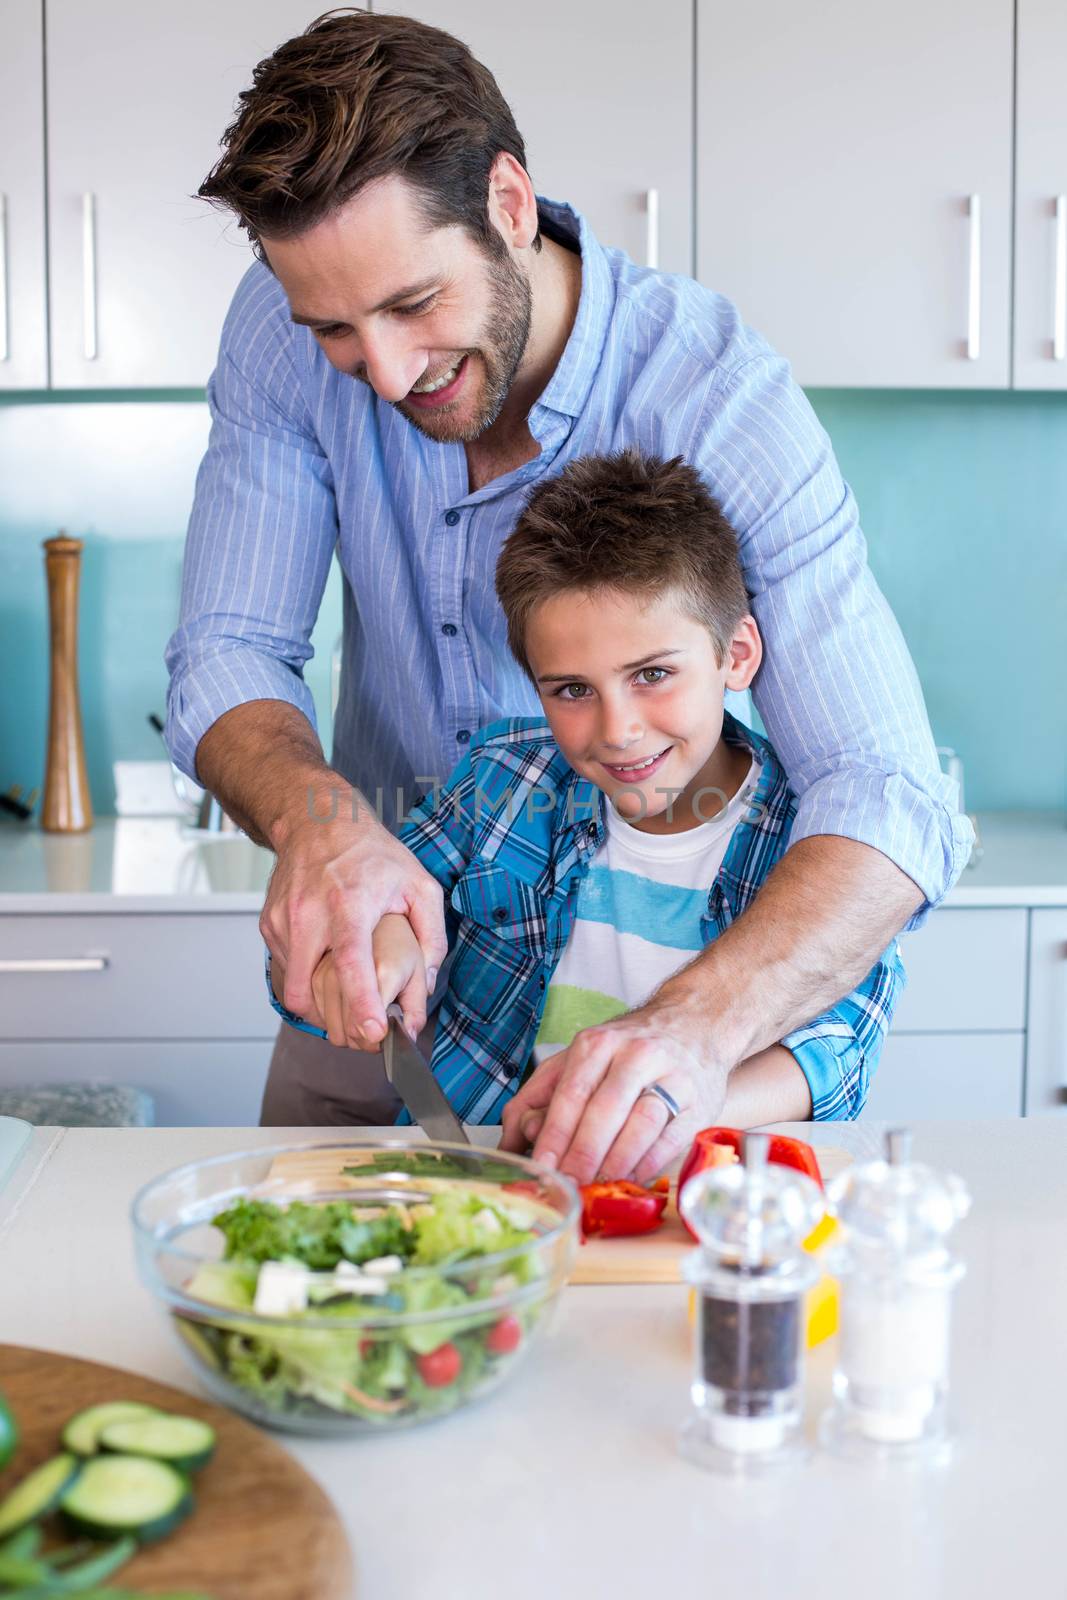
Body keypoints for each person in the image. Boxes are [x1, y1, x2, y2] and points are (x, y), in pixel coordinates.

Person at [165, 11, 970, 1178]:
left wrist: (687, 1035)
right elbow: (228, 650)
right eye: (334, 328)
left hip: (646, 1041)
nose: (382, 373)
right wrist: (320, 830)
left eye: (409, 305)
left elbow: (886, 792)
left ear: (506, 201)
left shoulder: (717, 399)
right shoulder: (276, 338)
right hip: (370, 989)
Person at [268, 451, 905, 1178]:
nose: (617, 728)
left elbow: (835, 1052)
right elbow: (383, 899)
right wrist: (379, 941)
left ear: (735, 654)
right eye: (571, 689)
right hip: (481, 1184)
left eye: (652, 675)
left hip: (696, 1197)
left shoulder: (817, 844)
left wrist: (644, 1117)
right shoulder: (501, 778)